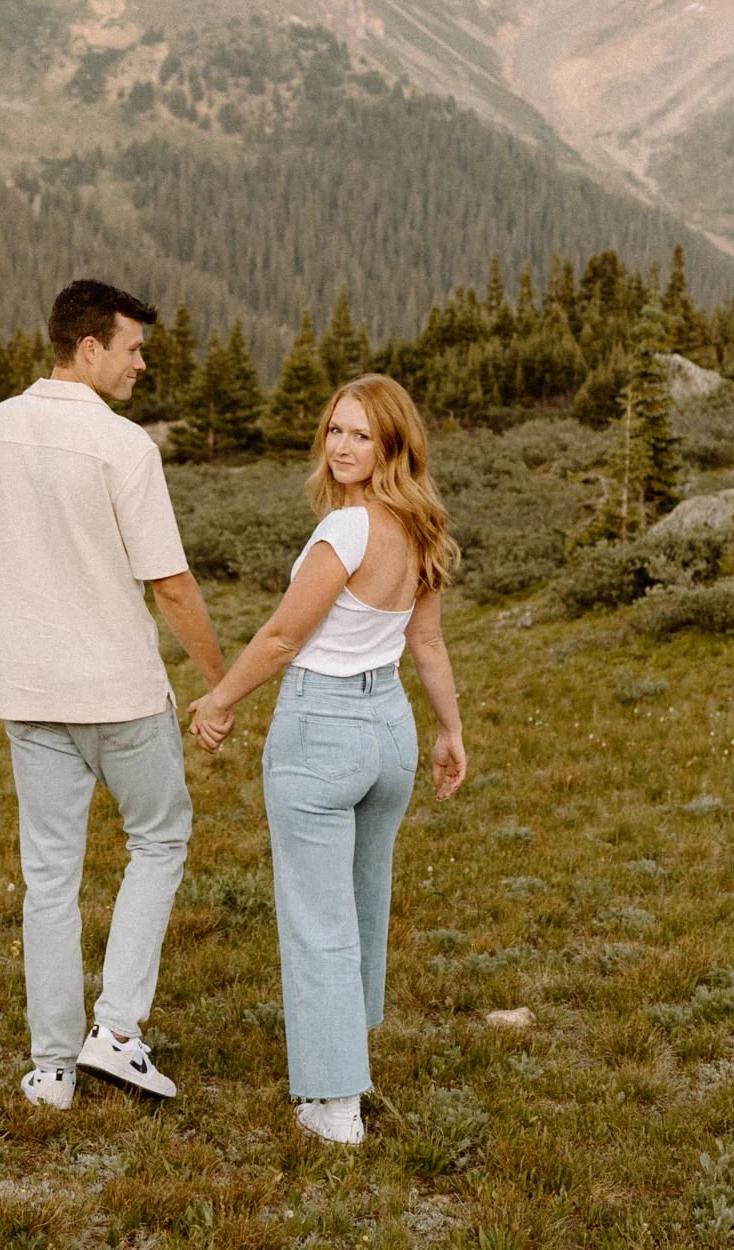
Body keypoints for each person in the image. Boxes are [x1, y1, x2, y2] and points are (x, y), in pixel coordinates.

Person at [0, 279, 227, 1110]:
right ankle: (119, 1033)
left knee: (50, 877)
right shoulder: (123, 447)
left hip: (25, 695)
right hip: (122, 695)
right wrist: (221, 685)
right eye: (133, 349)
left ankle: (54, 1069)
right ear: (89, 348)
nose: (142, 364)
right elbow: (170, 585)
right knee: (161, 840)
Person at [188, 374, 466, 1146]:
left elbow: (282, 637)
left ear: (391, 444)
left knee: (318, 920)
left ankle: (334, 1102)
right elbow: (427, 642)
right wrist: (450, 731)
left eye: (359, 435)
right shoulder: (421, 526)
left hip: (323, 729)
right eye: (334, 430)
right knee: (362, 902)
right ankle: (350, 1048)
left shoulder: (345, 532)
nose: (341, 446)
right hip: (390, 732)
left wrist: (219, 702)